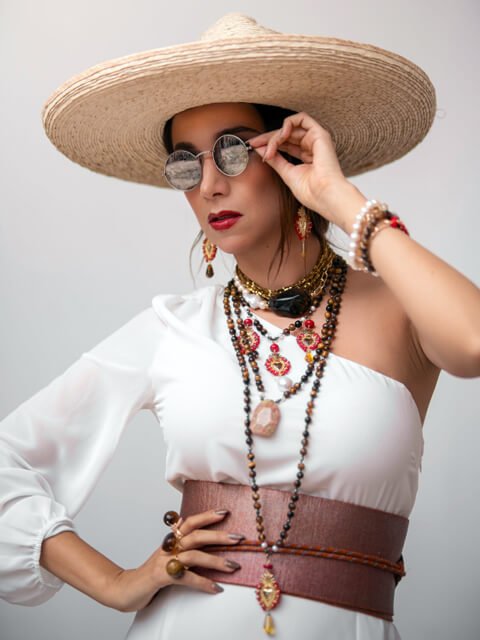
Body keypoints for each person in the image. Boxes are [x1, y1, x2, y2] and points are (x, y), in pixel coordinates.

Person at [1, 12, 479, 640]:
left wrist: (339, 198)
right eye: (184, 164)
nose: (208, 184)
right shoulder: (173, 328)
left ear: (293, 150)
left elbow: (472, 342)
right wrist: (115, 584)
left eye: (232, 150)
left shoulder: (402, 310)